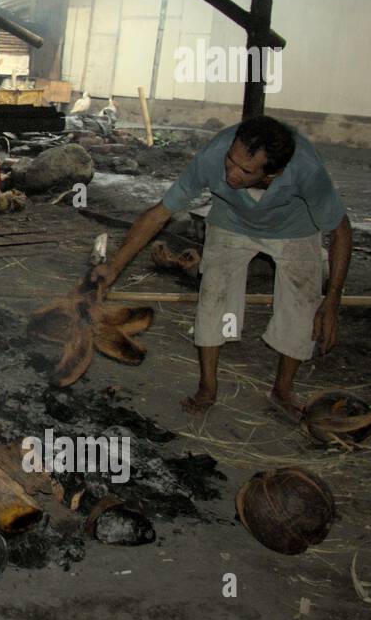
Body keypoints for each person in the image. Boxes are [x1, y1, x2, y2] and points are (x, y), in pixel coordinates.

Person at [90, 115, 352, 418]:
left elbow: (341, 230)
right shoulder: (214, 155)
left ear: (274, 174)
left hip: (295, 228)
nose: (230, 173)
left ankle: (282, 390)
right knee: (213, 295)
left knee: (301, 305)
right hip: (232, 220)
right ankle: (207, 387)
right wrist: (114, 268)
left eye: (245, 171)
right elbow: (159, 213)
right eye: (231, 161)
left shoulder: (306, 171)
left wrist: (332, 300)